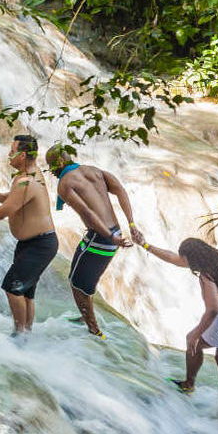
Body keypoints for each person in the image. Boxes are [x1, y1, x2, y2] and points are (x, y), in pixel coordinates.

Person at [134, 234, 218, 417]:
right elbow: (173, 258)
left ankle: (189, 384)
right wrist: (145, 245)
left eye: (185, 258)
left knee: (192, 342)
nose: (182, 261)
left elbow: (213, 309)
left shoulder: (207, 275)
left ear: (193, 258)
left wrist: (196, 333)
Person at [45, 145, 141, 339]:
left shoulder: (65, 184)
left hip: (101, 236)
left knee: (78, 283)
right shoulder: (95, 171)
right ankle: (86, 316)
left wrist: (109, 236)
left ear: (61, 163)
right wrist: (131, 224)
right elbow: (120, 191)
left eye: (52, 167)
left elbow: (87, 212)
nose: (52, 173)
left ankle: (94, 330)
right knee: (77, 276)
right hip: (108, 233)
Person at [0, 135, 58, 335]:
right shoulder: (27, 176)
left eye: (12, 151)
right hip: (33, 243)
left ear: (23, 154)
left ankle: (19, 334)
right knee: (26, 293)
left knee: (12, 287)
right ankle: (26, 333)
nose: (8, 155)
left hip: (40, 245)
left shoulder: (26, 181)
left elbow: (4, 211)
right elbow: (15, 199)